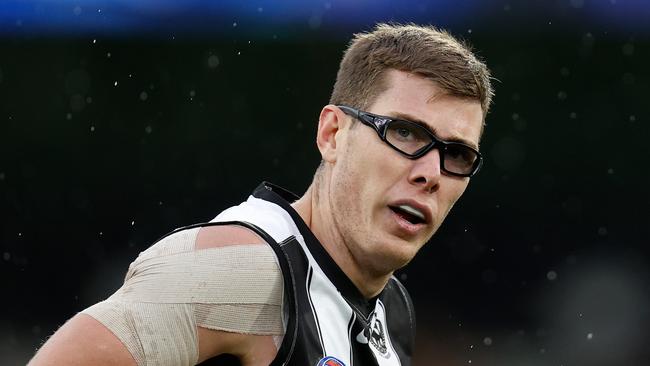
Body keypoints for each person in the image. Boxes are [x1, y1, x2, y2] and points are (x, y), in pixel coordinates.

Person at [29, 23, 493, 366]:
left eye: (457, 155)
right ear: (333, 134)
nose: (431, 172)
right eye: (406, 133)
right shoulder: (240, 268)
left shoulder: (391, 311)